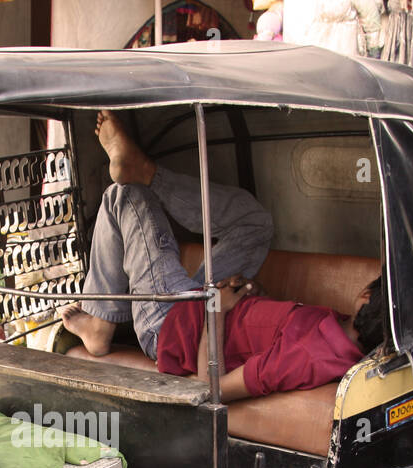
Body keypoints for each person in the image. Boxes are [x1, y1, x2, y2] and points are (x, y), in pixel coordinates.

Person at [63, 111, 386, 402]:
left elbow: (210, 386)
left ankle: (99, 324)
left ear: (364, 295)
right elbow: (266, 336)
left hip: (170, 323)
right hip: (207, 303)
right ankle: (146, 172)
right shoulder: (344, 330)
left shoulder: (312, 356)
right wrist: (253, 295)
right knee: (256, 224)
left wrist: (216, 308)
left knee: (125, 194)